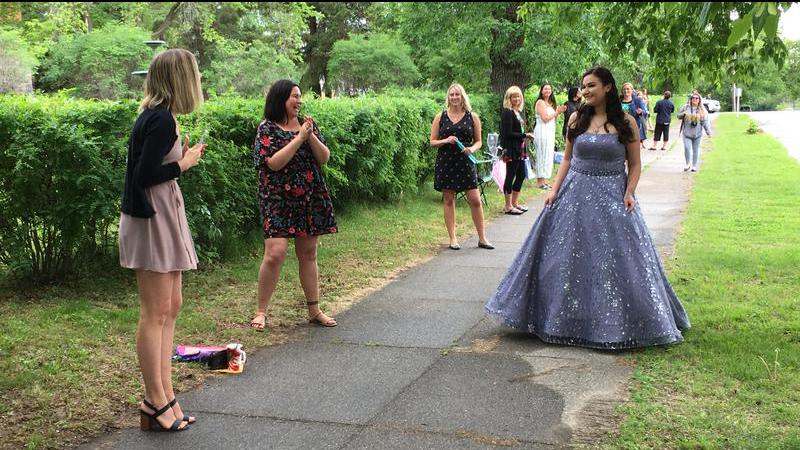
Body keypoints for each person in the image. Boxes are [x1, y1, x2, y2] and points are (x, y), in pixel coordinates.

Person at [485, 66, 690, 350]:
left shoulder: (626, 122)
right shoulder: (576, 119)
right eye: (584, 86)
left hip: (613, 195)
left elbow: (635, 164)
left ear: (608, 87)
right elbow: (568, 159)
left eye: (591, 85)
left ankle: (615, 323)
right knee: (564, 260)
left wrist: (630, 192)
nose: (586, 90)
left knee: (617, 262)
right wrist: (554, 191)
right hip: (575, 194)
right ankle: (562, 320)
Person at [119, 48, 206, 432]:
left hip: (161, 216)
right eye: (194, 74)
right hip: (151, 221)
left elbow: (152, 167)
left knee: (171, 306)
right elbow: (144, 175)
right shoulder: (160, 120)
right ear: (181, 79)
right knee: (155, 312)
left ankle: (166, 394)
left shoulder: (159, 116)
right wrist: (183, 164)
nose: (198, 81)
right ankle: (154, 401)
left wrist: (177, 162)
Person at [250, 79, 339, 331]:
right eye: (294, 96)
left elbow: (324, 157)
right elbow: (273, 163)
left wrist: (309, 136)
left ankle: (314, 310)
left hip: (309, 196)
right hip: (277, 199)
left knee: (308, 253)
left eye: (300, 96)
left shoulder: (307, 125)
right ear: (280, 99)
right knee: (275, 253)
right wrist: (299, 138)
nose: (299, 101)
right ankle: (261, 312)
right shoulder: (267, 128)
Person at [430, 83, 494, 250]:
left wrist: (471, 149)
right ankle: (453, 239)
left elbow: (478, 141)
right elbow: (432, 142)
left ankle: (482, 238)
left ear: (462, 96)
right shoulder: (440, 117)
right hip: (446, 161)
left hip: (465, 161)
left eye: (457, 94)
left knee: (475, 200)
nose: (454, 97)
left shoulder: (472, 117)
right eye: (451, 95)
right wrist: (446, 140)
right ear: (448, 97)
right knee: (449, 199)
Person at [499, 85, 534, 214]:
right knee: (510, 176)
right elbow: (507, 133)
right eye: (514, 97)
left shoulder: (517, 112)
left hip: (520, 149)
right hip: (511, 149)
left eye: (518, 96)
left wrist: (524, 136)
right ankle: (508, 206)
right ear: (509, 98)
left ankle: (515, 203)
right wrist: (525, 135)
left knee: (521, 175)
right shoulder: (507, 112)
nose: (517, 99)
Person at [533, 84, 567, 190]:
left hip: (549, 132)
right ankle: (539, 182)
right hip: (542, 131)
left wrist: (558, 113)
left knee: (547, 155)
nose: (547, 90)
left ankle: (545, 181)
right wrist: (557, 112)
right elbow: (545, 118)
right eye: (545, 89)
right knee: (541, 154)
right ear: (541, 91)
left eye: (549, 89)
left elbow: (552, 119)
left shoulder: (550, 103)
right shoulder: (540, 102)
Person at [677, 92, 712, 172]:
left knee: (695, 149)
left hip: (697, 134)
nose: (695, 99)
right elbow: (678, 116)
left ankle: (694, 166)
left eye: (697, 98)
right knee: (687, 148)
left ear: (699, 100)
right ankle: (687, 164)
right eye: (693, 98)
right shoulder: (686, 107)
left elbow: (705, 122)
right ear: (691, 99)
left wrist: (708, 132)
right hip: (687, 133)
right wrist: (683, 114)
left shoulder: (702, 110)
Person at [620, 82, 647, 148]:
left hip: (634, 126)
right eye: (624, 89)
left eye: (628, 89)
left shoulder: (637, 100)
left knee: (633, 147)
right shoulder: (619, 100)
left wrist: (640, 112)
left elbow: (645, 112)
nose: (626, 91)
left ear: (632, 90)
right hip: (621, 126)